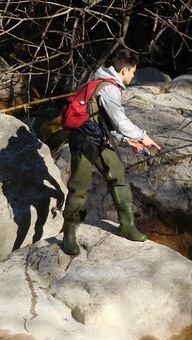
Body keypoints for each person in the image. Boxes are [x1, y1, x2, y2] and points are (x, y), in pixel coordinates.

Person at [62, 48, 161, 255]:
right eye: (133, 71)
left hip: (99, 138)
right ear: (125, 70)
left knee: (117, 175)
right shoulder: (109, 88)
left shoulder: (106, 84)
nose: (134, 76)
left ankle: (127, 225)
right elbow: (120, 121)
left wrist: (127, 140)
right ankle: (69, 234)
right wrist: (142, 136)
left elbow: (103, 121)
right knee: (79, 186)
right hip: (83, 140)